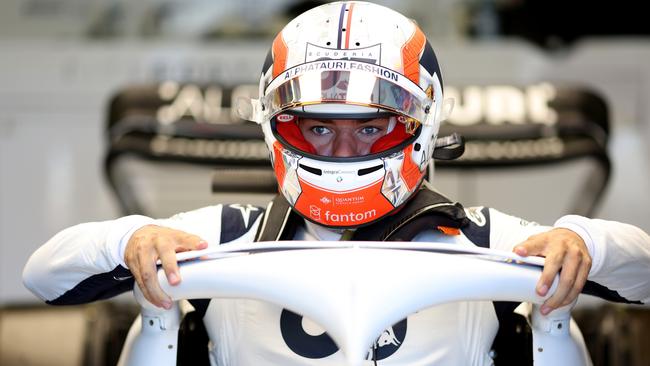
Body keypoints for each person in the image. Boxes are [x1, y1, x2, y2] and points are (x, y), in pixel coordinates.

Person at [23, 1, 650, 365]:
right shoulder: (223, 235)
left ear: (420, 125)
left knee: (553, 319)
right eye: (317, 129)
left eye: (372, 128)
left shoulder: (480, 237)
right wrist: (129, 242)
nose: (344, 149)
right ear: (276, 128)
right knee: (152, 319)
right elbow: (43, 276)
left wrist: (583, 242)